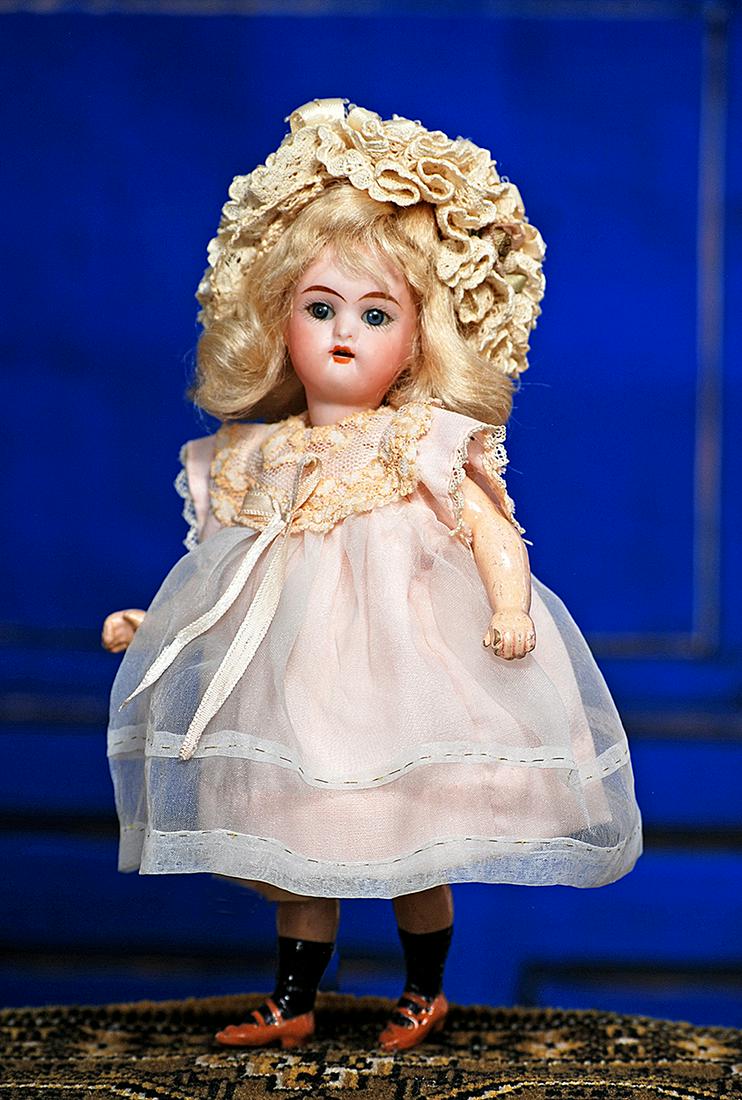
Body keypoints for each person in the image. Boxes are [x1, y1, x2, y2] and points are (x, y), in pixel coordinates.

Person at [102, 98, 643, 1053]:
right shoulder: (255, 454)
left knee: (410, 838)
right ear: (277, 319)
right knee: (299, 843)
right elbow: (222, 572)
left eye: (376, 313)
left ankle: (422, 987)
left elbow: (492, 530)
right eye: (319, 309)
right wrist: (157, 627)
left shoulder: (419, 441)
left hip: (400, 678)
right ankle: (293, 997)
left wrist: (510, 606)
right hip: (295, 687)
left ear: (420, 338)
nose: (342, 333)